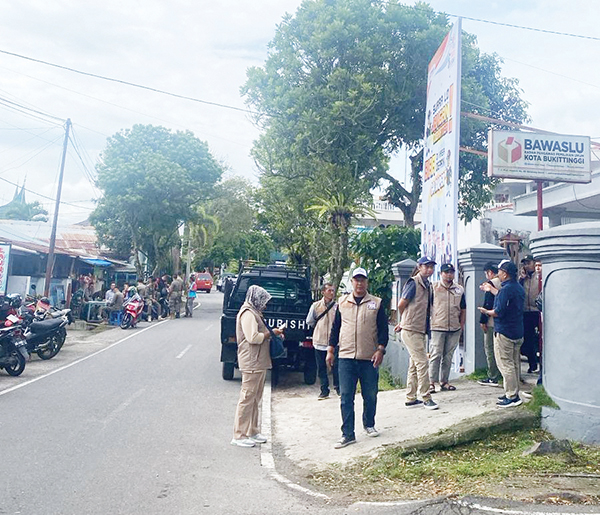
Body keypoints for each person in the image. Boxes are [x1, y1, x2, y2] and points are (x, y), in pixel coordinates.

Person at [327, 268, 388, 449]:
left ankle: (369, 423)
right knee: (346, 396)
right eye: (356, 280)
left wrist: (380, 350)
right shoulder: (342, 302)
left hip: (369, 357)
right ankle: (348, 434)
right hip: (345, 356)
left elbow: (383, 329)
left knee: (370, 394)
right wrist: (330, 350)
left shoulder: (376, 303)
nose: (359, 283)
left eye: (362, 280)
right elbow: (335, 328)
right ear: (351, 282)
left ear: (367, 282)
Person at [232, 285, 284, 448]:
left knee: (256, 398)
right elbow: (253, 338)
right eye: (263, 301)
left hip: (259, 360)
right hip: (251, 361)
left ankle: (252, 431)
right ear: (256, 299)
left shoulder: (255, 313)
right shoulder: (248, 314)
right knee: (247, 398)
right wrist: (271, 333)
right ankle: (239, 435)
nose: (265, 305)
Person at [478, 260, 525, 408]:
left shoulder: (506, 290)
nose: (497, 274)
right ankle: (513, 392)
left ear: (504, 274)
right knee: (515, 364)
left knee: (506, 364)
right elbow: (504, 297)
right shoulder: (518, 287)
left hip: (504, 332)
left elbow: (498, 312)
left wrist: (486, 312)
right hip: (517, 331)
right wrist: (491, 290)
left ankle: (511, 396)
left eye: (499, 272)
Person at [394, 257, 439, 410]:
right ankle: (426, 397)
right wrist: (404, 321)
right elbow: (401, 304)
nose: (429, 270)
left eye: (431, 267)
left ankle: (411, 397)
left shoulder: (428, 285)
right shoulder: (413, 282)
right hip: (411, 329)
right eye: (426, 267)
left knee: (414, 365)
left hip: (420, 329)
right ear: (419, 267)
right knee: (422, 363)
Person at [428, 263, 465, 393]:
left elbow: (463, 308)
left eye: (451, 272)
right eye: (446, 272)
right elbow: (427, 306)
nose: (449, 274)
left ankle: (444, 381)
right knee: (436, 355)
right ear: (441, 274)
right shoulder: (433, 288)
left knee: (448, 356)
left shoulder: (459, 289)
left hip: (454, 327)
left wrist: (461, 324)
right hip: (438, 326)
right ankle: (431, 382)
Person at [306, 282, 339, 400]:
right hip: (319, 341)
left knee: (336, 365)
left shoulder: (337, 307)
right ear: (323, 292)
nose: (331, 293)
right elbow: (309, 321)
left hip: (334, 342)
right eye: (329, 290)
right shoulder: (315, 306)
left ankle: (338, 388)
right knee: (321, 367)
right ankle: (324, 390)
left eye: (333, 290)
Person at [477, 262, 503, 387]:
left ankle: (492, 375)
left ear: (490, 272)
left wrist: (483, 320)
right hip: (502, 322)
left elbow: (487, 303)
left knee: (490, 349)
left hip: (491, 320)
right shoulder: (505, 283)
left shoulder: (491, 284)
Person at [519, 255, 540, 373]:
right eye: (525, 263)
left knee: (540, 337)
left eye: (528, 263)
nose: (527, 265)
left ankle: (541, 362)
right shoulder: (523, 278)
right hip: (526, 311)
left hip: (537, 310)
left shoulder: (538, 276)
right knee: (528, 338)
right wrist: (522, 278)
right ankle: (532, 364)